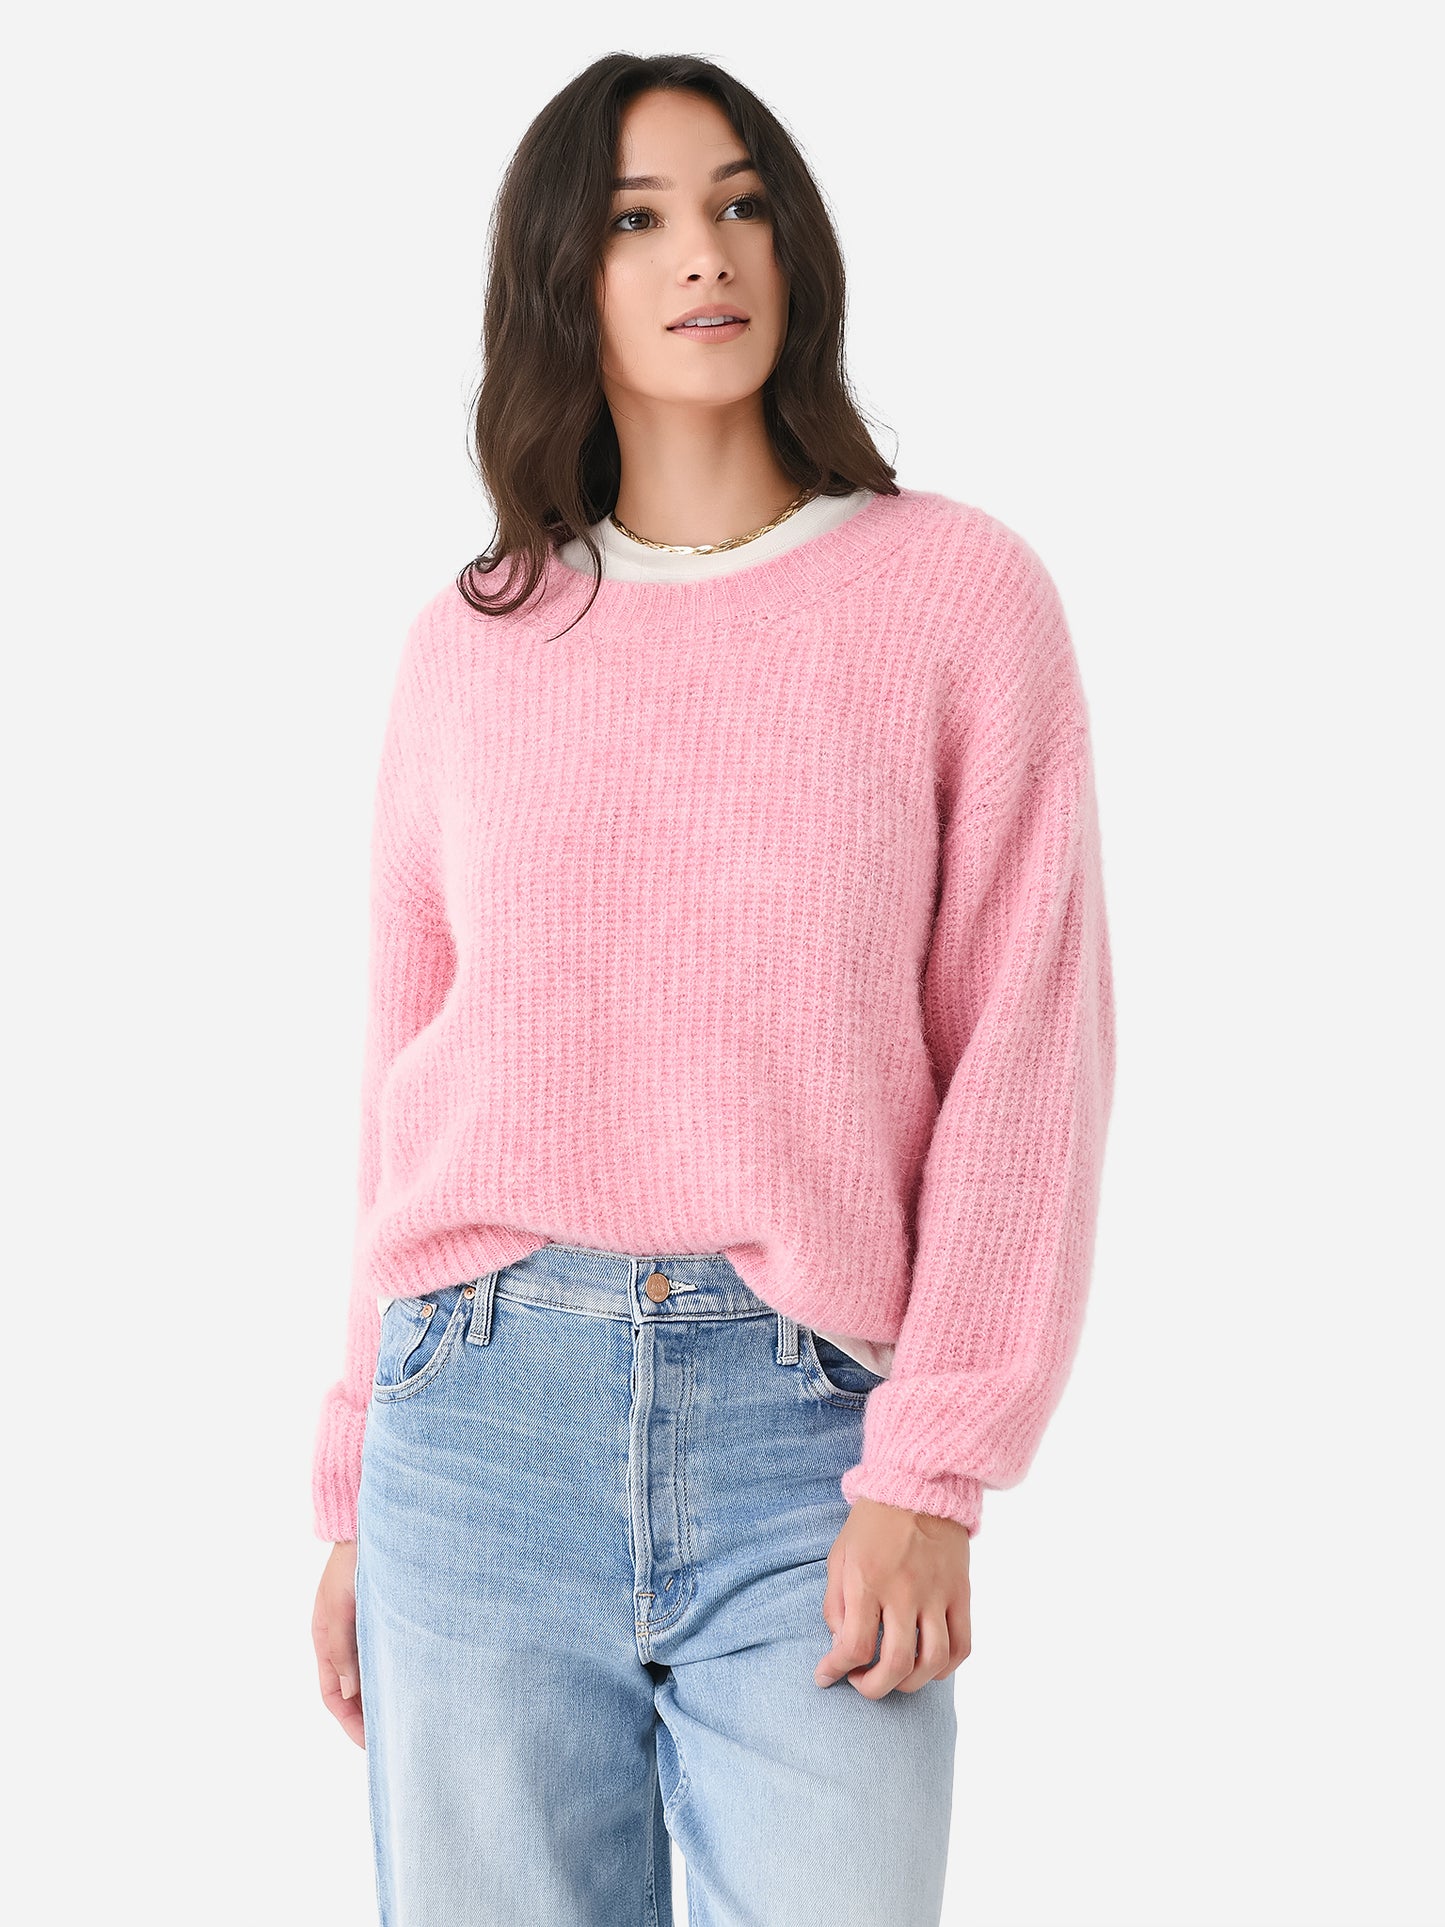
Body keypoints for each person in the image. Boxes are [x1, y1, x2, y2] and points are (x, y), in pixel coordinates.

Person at [309, 50, 1116, 1927]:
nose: (706, 254)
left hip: (810, 1432)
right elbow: (401, 1074)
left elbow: (1023, 1050)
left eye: (741, 202)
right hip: (478, 1421)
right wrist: (351, 1482)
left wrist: (936, 1462)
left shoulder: (955, 598)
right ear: (560, 279)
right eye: (638, 219)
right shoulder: (473, 641)